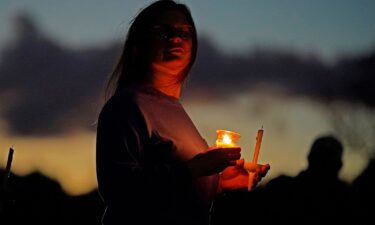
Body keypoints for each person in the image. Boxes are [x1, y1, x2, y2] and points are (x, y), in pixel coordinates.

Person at [95, 1, 270, 225]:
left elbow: (178, 192)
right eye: (163, 31)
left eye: (184, 32)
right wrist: (194, 168)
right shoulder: (128, 106)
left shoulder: (174, 110)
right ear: (139, 45)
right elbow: (119, 190)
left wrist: (217, 181)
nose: (175, 39)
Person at [262, 135, 353, 224]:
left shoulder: (281, 188)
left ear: (309, 157)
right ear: (340, 166)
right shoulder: (347, 200)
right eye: (321, 161)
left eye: (327, 162)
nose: (323, 167)